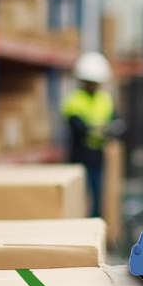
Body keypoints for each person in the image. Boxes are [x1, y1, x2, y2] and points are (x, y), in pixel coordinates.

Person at [63, 51, 117, 218]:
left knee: (97, 196)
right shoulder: (74, 100)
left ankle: (95, 229)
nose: (93, 86)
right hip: (78, 157)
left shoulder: (105, 99)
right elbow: (79, 128)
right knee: (78, 197)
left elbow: (118, 123)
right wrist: (101, 130)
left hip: (97, 156)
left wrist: (103, 130)